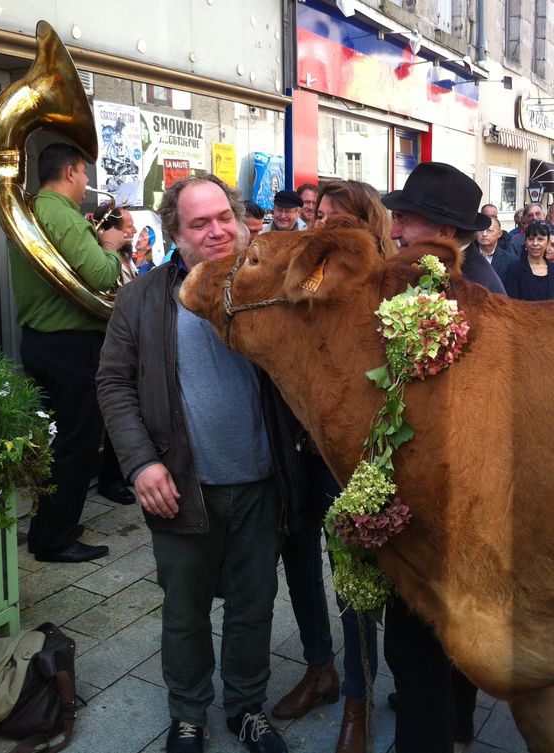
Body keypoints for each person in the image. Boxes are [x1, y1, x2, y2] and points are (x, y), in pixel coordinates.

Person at [97, 175, 301, 753]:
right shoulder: (142, 297)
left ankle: (246, 707)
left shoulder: (273, 289)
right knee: (184, 609)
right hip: (182, 486)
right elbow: (113, 383)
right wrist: (139, 464)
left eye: (223, 218)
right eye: (199, 223)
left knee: (253, 604)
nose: (216, 232)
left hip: (263, 481)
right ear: (175, 235)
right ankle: (188, 712)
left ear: (238, 220)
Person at [381, 161, 506, 753]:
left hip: (451, 499)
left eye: (405, 215)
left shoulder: (478, 292)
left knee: (420, 639)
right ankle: (450, 719)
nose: (395, 224)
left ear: (444, 228)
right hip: (439, 492)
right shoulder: (431, 277)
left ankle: (433, 728)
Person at [272, 180, 395, 753]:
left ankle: (357, 698)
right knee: (299, 559)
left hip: (356, 458)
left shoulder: (387, 287)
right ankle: (319, 668)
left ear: (369, 228)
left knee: (354, 578)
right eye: (318, 216)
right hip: (300, 450)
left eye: (338, 220)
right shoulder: (303, 273)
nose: (322, 227)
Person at [8, 142, 124, 562]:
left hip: (39, 339)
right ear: (72, 172)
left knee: (54, 444)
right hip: (71, 345)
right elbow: (102, 274)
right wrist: (110, 243)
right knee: (77, 444)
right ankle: (54, 539)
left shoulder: (32, 208)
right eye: (85, 174)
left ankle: (49, 525)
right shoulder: (62, 215)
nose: (87, 183)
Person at [315, 180, 397, 257]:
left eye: (335, 217)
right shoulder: (311, 266)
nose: (322, 222)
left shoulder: (386, 270)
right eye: (320, 216)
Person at [503, 220, 554, 300]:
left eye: (540, 239)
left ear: (547, 243)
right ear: (525, 242)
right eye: (531, 239)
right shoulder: (514, 269)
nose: (535, 243)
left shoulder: (552, 269)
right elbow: (512, 303)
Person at [92, 201, 138, 284]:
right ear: (113, 230)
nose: (135, 230)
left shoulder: (125, 254)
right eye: (129, 226)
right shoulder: (98, 261)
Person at [475, 216, 516, 281]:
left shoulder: (511, 261)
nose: (484, 234)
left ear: (499, 233)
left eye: (489, 230)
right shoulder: (465, 257)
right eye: (481, 230)